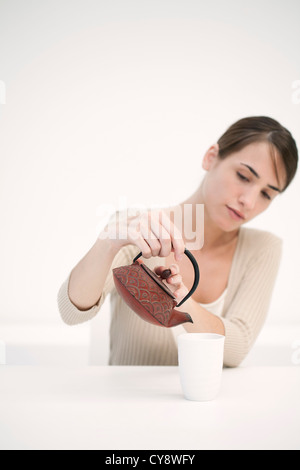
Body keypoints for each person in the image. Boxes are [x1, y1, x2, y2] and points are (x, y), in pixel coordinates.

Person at [57, 116, 298, 367]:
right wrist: (108, 242)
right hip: (127, 404)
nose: (249, 201)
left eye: (266, 194)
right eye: (243, 176)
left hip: (210, 407)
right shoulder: (136, 227)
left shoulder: (263, 248)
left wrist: (182, 297)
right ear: (211, 157)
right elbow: (71, 312)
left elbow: (236, 349)